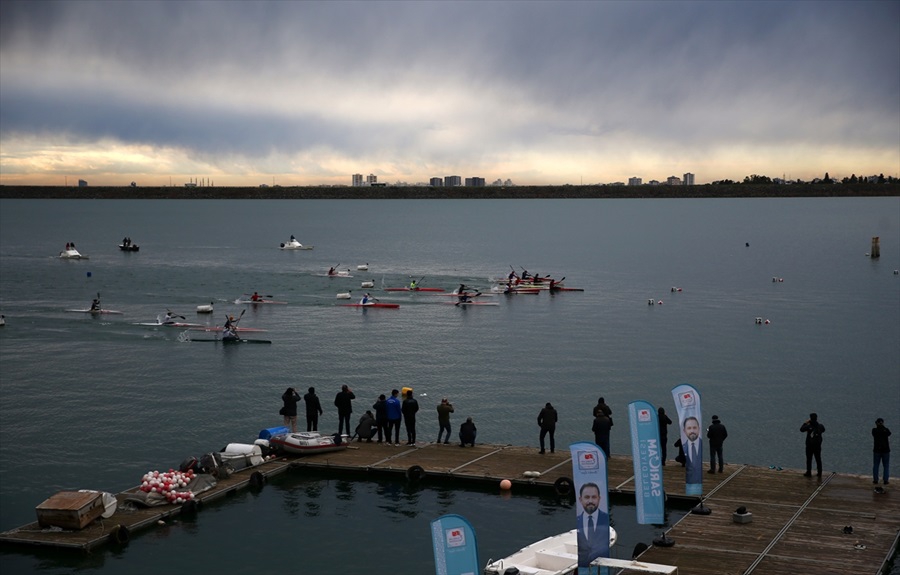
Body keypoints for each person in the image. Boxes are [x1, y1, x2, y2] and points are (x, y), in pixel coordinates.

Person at [576, 482, 610, 567]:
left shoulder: (606, 519)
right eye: (587, 497)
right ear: (580, 499)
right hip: (583, 567)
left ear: (599, 498)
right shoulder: (576, 521)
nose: (590, 501)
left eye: (594, 497)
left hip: (601, 568)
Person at [800, 412, 825, 477]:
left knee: (809, 459)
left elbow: (801, 429)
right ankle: (819, 472)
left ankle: (809, 472)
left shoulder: (808, 426)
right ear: (816, 418)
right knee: (818, 459)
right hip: (817, 446)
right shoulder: (820, 426)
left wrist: (805, 423)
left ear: (810, 418)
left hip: (809, 445)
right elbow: (823, 430)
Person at [681, 416, 703, 484]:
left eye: (694, 428)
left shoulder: (702, 444)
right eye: (689, 428)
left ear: (699, 429)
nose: (692, 431)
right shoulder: (683, 447)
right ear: (684, 431)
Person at [873, 418, 891, 485]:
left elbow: (874, 434)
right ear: (882, 423)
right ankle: (885, 480)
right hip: (886, 451)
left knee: (876, 465)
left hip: (877, 450)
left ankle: (875, 480)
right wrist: (882, 426)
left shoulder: (874, 430)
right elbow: (889, 433)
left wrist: (879, 426)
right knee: (886, 466)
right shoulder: (885, 430)